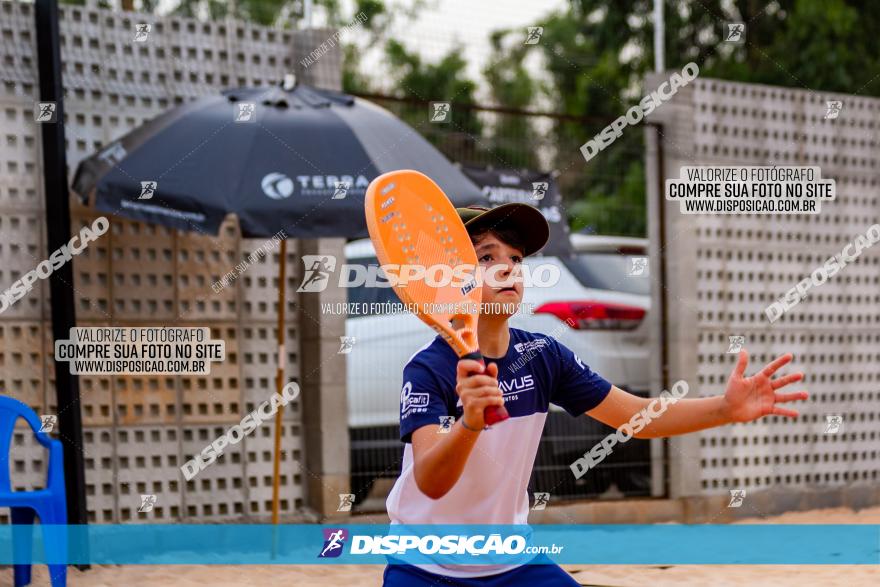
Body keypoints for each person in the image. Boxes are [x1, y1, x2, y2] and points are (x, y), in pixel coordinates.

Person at [382, 203, 808, 586]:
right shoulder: (428, 369)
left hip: (512, 564)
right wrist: (470, 424)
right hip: (425, 568)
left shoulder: (543, 355)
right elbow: (432, 483)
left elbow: (637, 418)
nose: (509, 268)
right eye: (487, 258)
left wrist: (726, 408)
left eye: (515, 258)